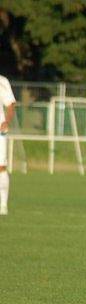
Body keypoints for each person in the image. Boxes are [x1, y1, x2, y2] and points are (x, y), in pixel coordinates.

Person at [0, 74, 16, 216]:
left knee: (1, 167)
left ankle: (3, 204)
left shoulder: (2, 81)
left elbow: (10, 104)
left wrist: (6, 121)